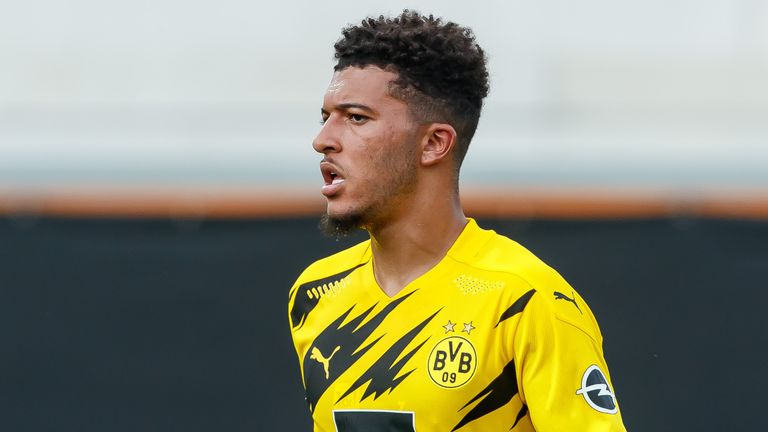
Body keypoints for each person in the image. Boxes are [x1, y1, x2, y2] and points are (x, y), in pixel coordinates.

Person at [288, 10, 627, 432]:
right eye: (326, 117)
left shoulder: (524, 300)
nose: (323, 140)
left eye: (356, 117)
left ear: (434, 143)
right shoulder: (315, 294)